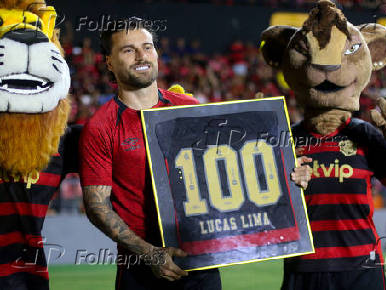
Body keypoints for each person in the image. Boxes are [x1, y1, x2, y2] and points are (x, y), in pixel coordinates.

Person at [79, 19, 312, 290]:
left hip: (201, 264)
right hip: (142, 269)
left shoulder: (188, 107)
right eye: (128, 50)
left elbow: (229, 168)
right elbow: (97, 207)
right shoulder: (101, 126)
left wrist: (285, 170)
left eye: (147, 47)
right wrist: (149, 253)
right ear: (109, 62)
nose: (142, 56)